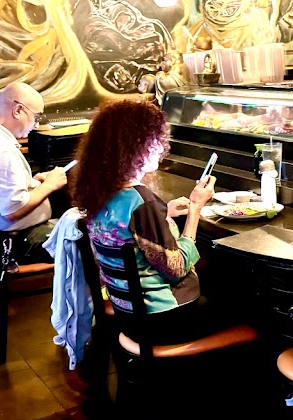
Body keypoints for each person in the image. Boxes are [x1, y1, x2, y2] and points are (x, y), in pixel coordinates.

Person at [72, 100, 226, 343]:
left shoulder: (99, 190)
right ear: (135, 145)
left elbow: (127, 229)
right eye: (154, 139)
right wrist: (195, 209)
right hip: (162, 318)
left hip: (125, 313)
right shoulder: (142, 202)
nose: (160, 146)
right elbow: (176, 268)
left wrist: (163, 214)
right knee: (239, 302)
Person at [0, 82, 66, 264]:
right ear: (18, 110)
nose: (36, 125)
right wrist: (50, 185)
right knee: (89, 235)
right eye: (36, 116)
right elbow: (13, 210)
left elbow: (0, 192)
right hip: (14, 244)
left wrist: (33, 182)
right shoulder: (1, 149)